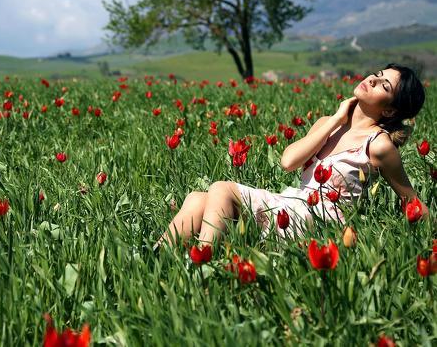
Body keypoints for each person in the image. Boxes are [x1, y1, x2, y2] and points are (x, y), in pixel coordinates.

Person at [154, 63, 430, 251]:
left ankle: (202, 265)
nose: (371, 79)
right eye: (376, 74)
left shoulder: (378, 145)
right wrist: (335, 119)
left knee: (221, 189)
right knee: (197, 198)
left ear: (390, 111)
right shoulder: (328, 123)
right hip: (294, 203)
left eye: (383, 85)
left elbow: (412, 201)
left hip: (319, 224)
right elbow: (288, 162)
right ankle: (157, 256)